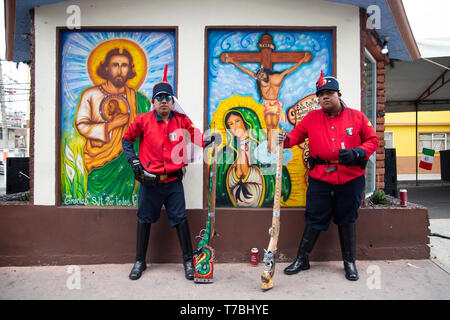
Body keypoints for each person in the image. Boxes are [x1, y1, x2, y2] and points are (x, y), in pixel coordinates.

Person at [277, 71, 379, 281]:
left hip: (350, 178)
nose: (325, 96)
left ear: (338, 94)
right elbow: (294, 137)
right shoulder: (311, 118)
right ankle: (302, 259)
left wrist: (358, 152)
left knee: (347, 219)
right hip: (321, 177)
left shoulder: (357, 117)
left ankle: (349, 262)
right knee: (314, 218)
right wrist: (283, 138)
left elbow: (373, 141)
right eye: (321, 93)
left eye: (329, 92)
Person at [121, 70, 219, 281]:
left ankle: (187, 262)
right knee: (144, 219)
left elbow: (197, 137)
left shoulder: (182, 121)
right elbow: (126, 140)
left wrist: (211, 139)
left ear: (172, 101)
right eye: (159, 98)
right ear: (154, 101)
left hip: (174, 182)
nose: (164, 101)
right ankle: (140, 261)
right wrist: (133, 160)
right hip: (150, 183)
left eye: (168, 98)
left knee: (180, 219)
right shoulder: (143, 120)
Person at [75, 47, 151, 205]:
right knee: (97, 197)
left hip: (128, 162)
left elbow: (149, 129)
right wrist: (111, 126)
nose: (119, 70)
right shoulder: (90, 95)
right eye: (115, 65)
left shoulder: (139, 100)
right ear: (106, 68)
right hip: (100, 160)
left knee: (127, 199)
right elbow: (81, 125)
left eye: (124, 66)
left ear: (130, 70)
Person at [223, 52, 312, 152]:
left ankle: (273, 149)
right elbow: (247, 71)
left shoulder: (277, 77)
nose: (261, 77)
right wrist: (232, 61)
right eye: (259, 77)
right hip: (267, 105)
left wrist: (302, 60)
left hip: (274, 104)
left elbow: (289, 70)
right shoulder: (262, 80)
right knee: (269, 128)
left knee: (273, 126)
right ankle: (270, 149)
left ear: (265, 72)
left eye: (262, 74)